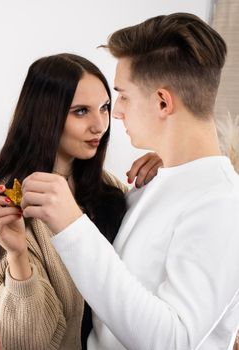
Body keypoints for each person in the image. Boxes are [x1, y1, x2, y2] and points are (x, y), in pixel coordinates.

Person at [20, 13, 239, 349]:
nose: (116, 113)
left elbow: (173, 340)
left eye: (122, 96)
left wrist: (72, 226)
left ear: (163, 102)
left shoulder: (222, 205)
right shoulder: (151, 184)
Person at [0, 53, 161, 349]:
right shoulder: (7, 207)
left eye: (104, 108)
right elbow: (29, 343)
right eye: (80, 111)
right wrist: (18, 256)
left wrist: (166, 170)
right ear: (46, 115)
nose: (100, 125)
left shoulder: (108, 188)